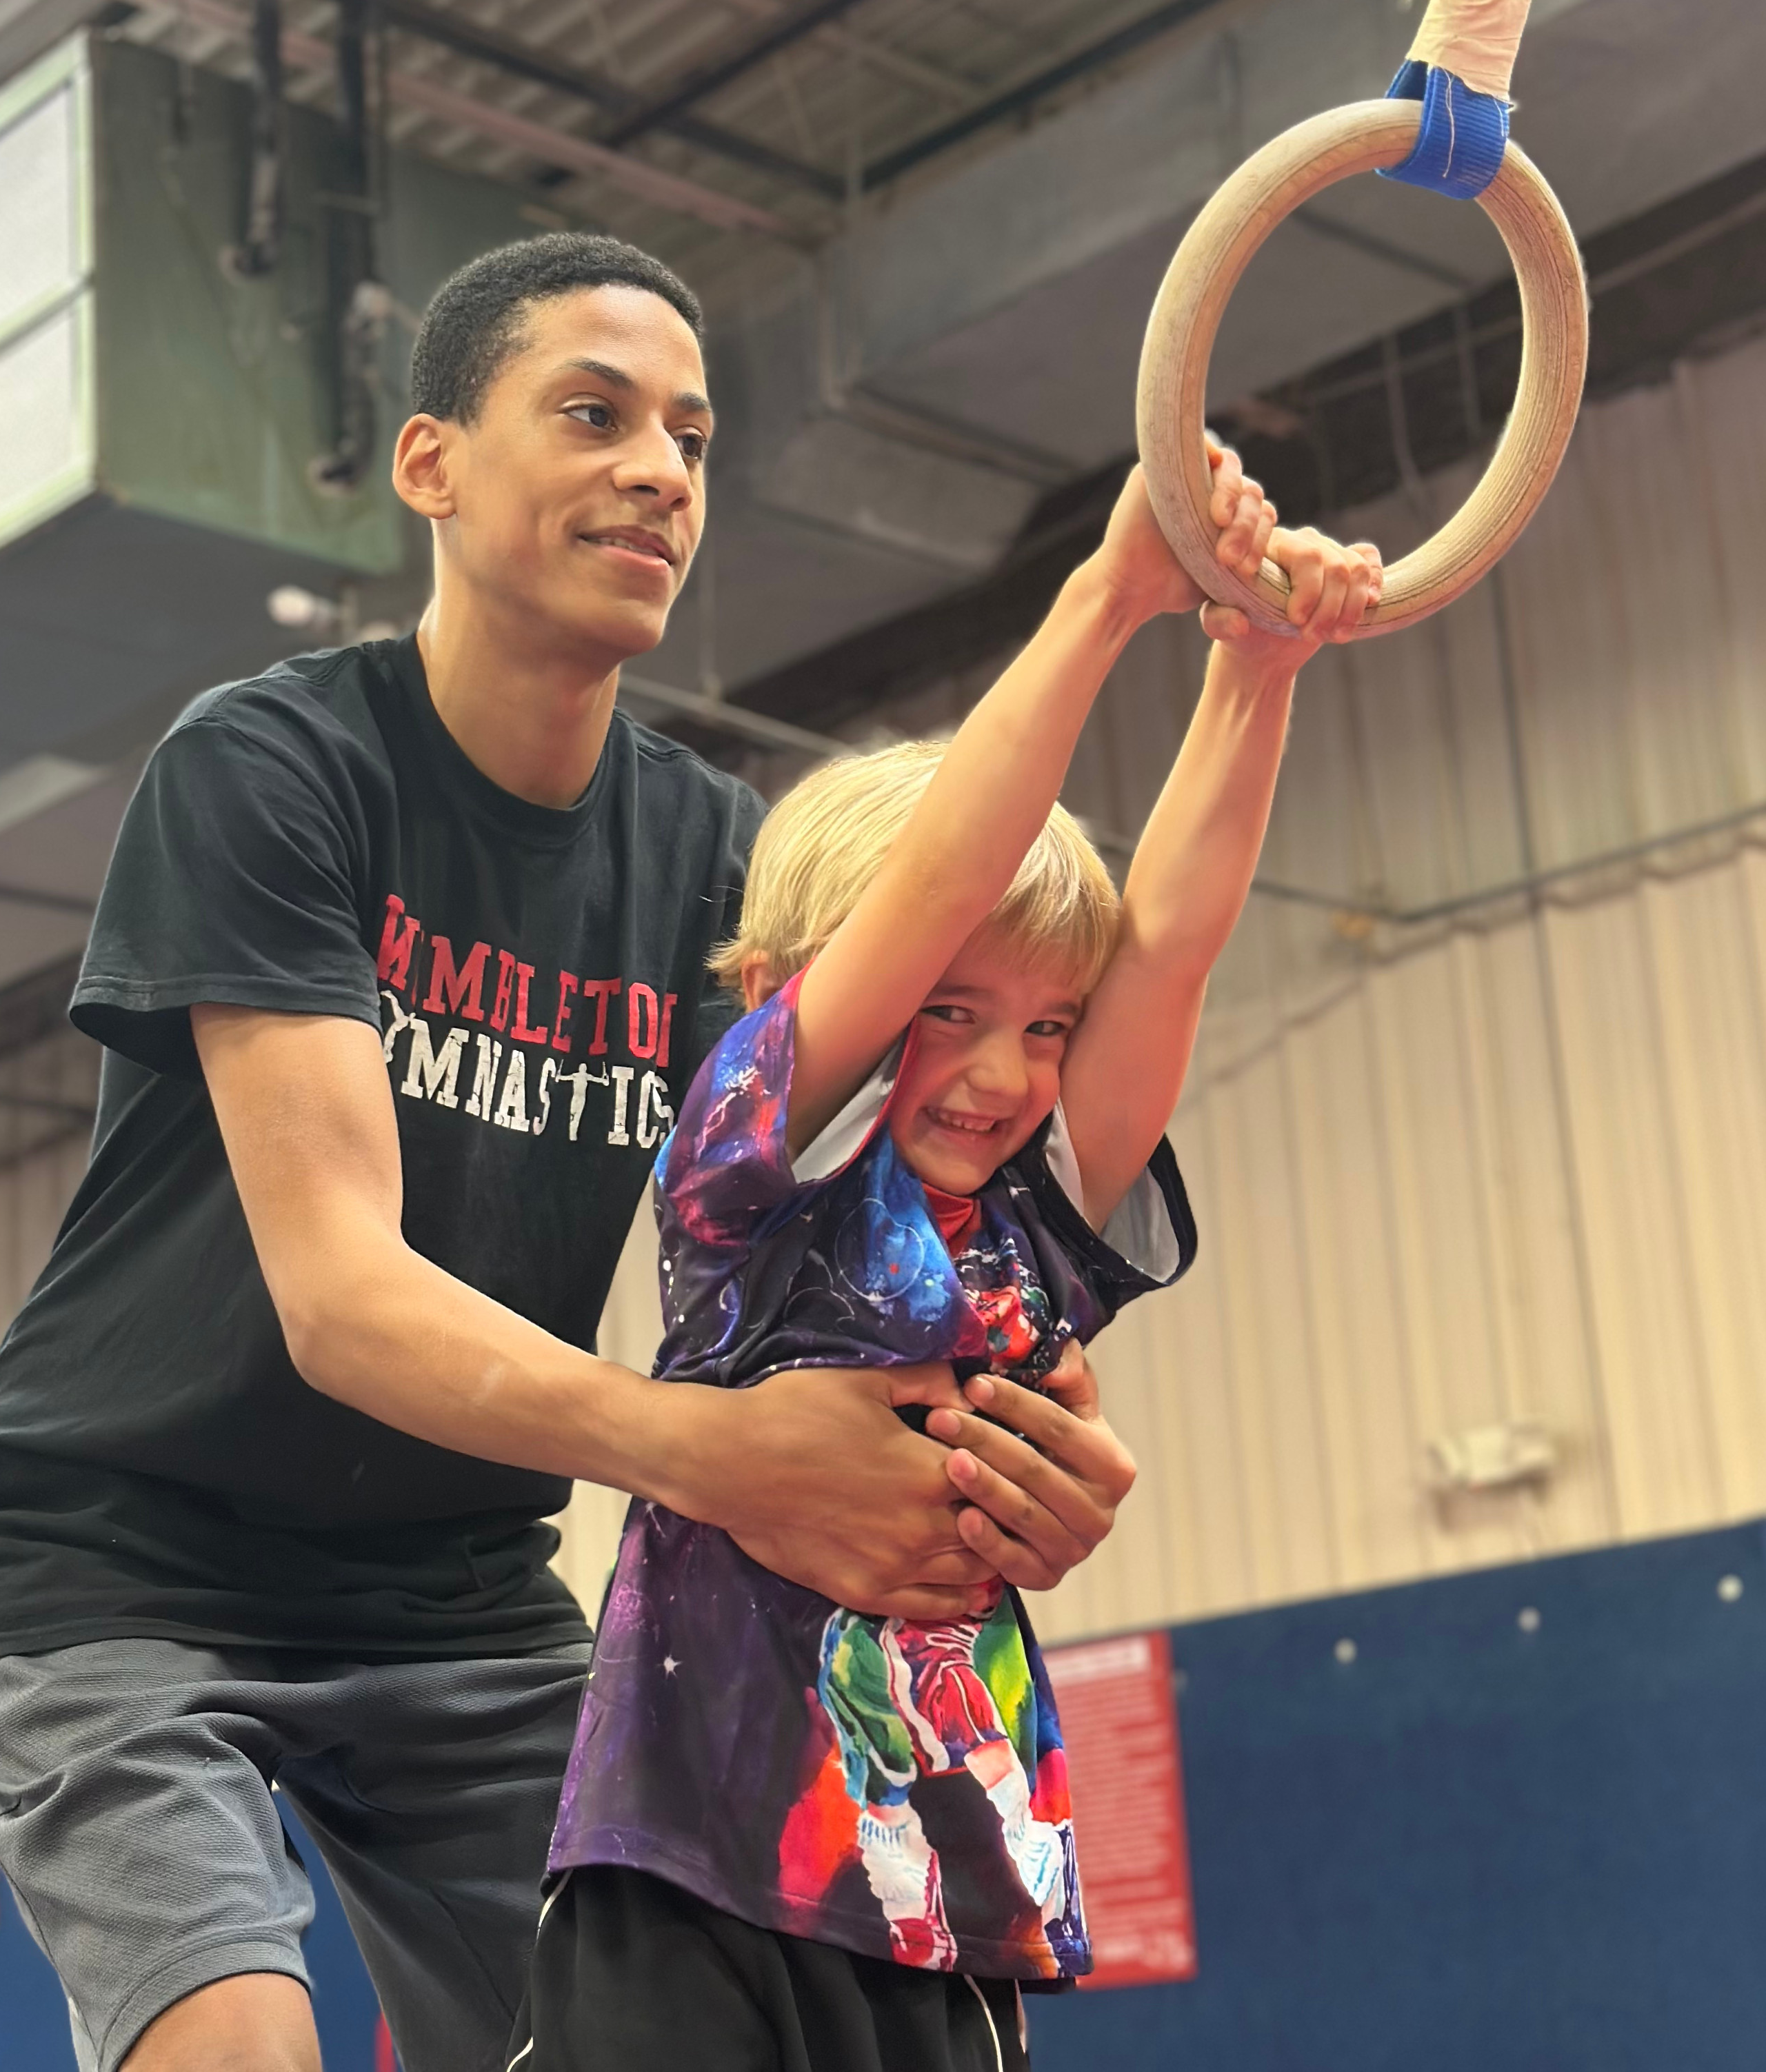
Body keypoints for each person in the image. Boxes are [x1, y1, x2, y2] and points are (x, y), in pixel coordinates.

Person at [0, 234, 1138, 2072]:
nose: (659, 467)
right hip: (128, 1570)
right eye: (593, 414)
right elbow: (343, 1299)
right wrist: (725, 1455)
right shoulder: (274, 768)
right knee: (238, 2046)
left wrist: (1009, 1452)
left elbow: (910, 1198)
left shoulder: (715, 864)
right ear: (431, 464)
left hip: (458, 1587)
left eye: (689, 434)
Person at [518, 454, 1381, 2068]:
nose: (1001, 1074)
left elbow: (1172, 943)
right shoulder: (751, 1173)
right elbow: (936, 886)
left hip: (940, 1889)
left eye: (1043, 1028)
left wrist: (1256, 668)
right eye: (951, 1014)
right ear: (788, 990)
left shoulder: (1035, 1219)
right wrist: (1105, 595)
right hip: (691, 1857)